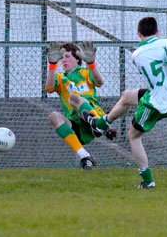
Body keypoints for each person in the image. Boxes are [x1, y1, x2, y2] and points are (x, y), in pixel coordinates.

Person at [82, 17, 167, 188]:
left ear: (138, 34)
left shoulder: (136, 55)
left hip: (157, 102)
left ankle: (147, 181)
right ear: (158, 32)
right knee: (126, 96)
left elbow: (157, 62)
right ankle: (101, 124)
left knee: (133, 135)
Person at [45, 41, 116, 171]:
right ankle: (85, 156)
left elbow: (99, 82)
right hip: (77, 123)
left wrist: (91, 64)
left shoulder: (84, 71)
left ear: (77, 59)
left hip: (93, 113)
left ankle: (99, 124)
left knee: (74, 98)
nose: (63, 60)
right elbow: (49, 88)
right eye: (61, 58)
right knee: (53, 116)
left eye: (67, 56)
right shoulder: (60, 78)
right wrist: (52, 65)